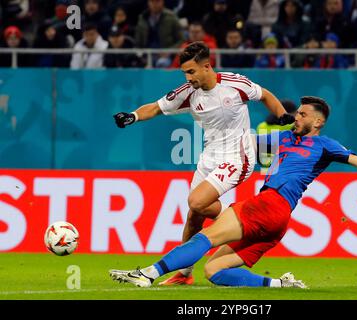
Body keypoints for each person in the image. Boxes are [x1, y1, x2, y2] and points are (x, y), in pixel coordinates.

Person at [110, 96, 357, 288]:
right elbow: (242, 144)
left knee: (205, 238)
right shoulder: (281, 139)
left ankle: (148, 274)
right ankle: (279, 283)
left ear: (318, 123)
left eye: (304, 114)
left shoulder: (324, 145)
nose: (297, 116)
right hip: (277, 221)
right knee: (215, 271)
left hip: (270, 205)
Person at [112, 41, 293, 285]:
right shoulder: (187, 92)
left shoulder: (235, 84)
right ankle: (184, 275)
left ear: (206, 66)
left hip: (238, 156)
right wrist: (132, 116)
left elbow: (265, 95)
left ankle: (237, 218)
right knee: (194, 216)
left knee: (196, 201)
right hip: (209, 157)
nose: (188, 77)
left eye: (191, 71)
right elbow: (155, 108)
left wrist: (282, 115)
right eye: (185, 73)